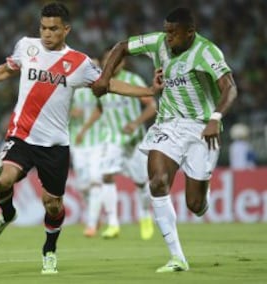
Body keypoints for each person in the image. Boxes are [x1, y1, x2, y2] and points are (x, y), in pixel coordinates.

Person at [0, 2, 162, 274]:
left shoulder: (80, 63)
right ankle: (8, 213)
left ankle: (49, 250)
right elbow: (6, 69)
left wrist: (149, 91)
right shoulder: (26, 46)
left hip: (55, 145)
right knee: (1, 178)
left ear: (66, 30)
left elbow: (111, 84)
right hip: (21, 136)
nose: (47, 33)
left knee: (53, 204)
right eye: (43, 28)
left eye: (53, 29)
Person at [92, 7, 237, 272]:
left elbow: (230, 87)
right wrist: (105, 77)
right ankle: (177, 257)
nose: (168, 37)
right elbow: (122, 46)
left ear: (190, 32)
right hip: (168, 124)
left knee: (195, 205)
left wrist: (215, 118)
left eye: (173, 33)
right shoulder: (158, 41)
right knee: (157, 183)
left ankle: (203, 196)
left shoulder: (207, 51)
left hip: (201, 128)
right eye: (166, 31)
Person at [77, 47, 156, 240]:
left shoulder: (133, 80)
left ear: (122, 63)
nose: (111, 64)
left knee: (141, 182)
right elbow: (99, 109)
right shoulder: (101, 82)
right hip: (112, 138)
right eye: (108, 60)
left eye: (116, 61)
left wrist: (136, 123)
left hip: (134, 140)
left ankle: (145, 216)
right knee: (106, 176)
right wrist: (85, 128)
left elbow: (153, 106)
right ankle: (113, 223)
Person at [69, 57, 107, 234]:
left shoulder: (100, 89)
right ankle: (95, 215)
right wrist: (70, 112)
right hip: (77, 143)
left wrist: (84, 128)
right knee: (82, 186)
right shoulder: (72, 89)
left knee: (95, 180)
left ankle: (91, 224)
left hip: (97, 141)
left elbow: (102, 111)